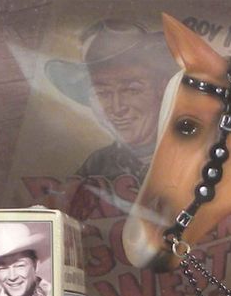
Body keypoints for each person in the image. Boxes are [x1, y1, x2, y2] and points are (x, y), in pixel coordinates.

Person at [45, 21, 175, 180]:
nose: (117, 108)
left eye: (132, 90)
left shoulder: (192, 154)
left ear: (163, 88)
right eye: (102, 93)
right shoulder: (96, 165)